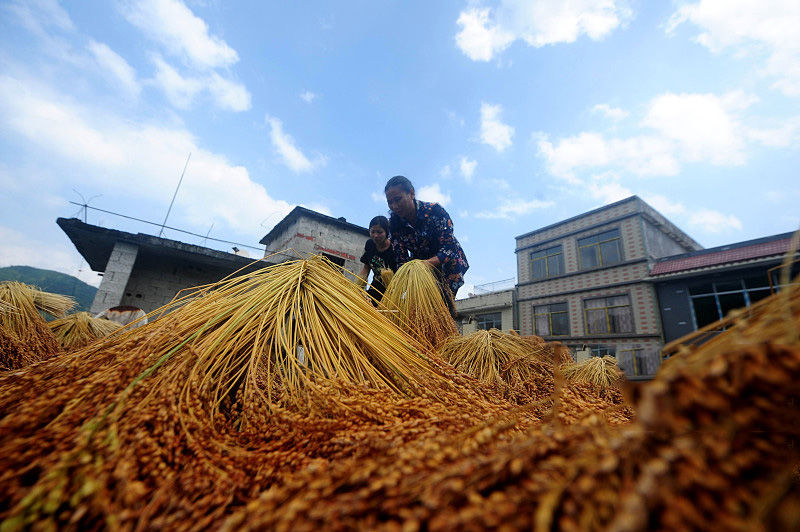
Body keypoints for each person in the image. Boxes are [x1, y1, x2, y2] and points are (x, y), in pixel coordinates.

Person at [384, 175, 469, 312]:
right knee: (421, 310)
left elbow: (449, 249)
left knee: (442, 309)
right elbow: (401, 259)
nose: (394, 206)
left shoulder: (435, 212)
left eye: (398, 199)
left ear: (411, 193)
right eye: (390, 202)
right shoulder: (395, 225)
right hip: (420, 272)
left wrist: (422, 265)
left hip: (447, 266)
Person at [357, 215, 397, 304]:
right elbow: (366, 269)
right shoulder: (370, 244)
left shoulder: (395, 248)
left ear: (387, 232)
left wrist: (394, 294)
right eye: (373, 232)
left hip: (392, 292)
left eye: (379, 232)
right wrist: (357, 287)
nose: (375, 235)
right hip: (375, 288)